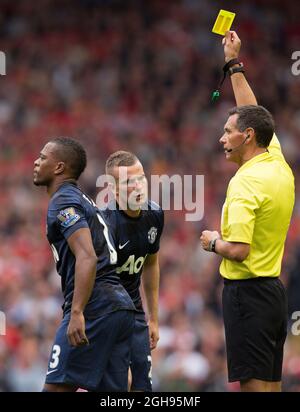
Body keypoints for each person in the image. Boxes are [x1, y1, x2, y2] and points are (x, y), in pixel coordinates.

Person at [200, 31, 295, 392]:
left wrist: (212, 243)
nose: (222, 139)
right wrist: (234, 65)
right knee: (272, 385)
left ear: (248, 137)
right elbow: (255, 114)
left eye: (228, 133)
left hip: (247, 297)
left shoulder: (243, 184)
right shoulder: (276, 160)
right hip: (273, 293)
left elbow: (239, 251)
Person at [33, 137, 136, 392]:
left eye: (43, 157)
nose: (36, 162)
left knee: (56, 388)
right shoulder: (82, 199)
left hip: (94, 306)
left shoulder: (63, 201)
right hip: (119, 307)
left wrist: (78, 311)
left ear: (59, 168)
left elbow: (88, 256)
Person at [101, 150, 164, 391]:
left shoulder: (155, 214)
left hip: (135, 311)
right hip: (106, 314)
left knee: (143, 386)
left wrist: (154, 318)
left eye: (141, 178)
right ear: (114, 190)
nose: (138, 186)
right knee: (114, 387)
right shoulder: (105, 223)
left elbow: (150, 263)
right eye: (129, 182)